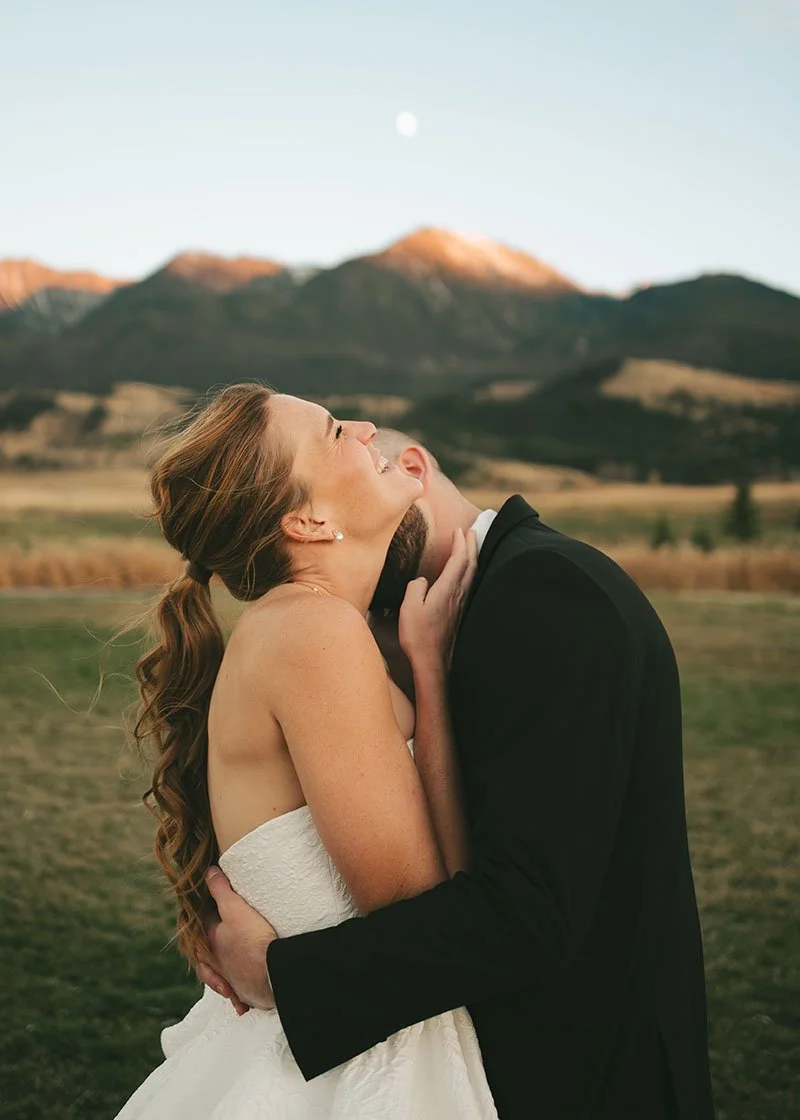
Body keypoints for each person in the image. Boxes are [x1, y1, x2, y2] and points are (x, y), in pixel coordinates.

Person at [198, 426, 716, 1119]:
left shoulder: (547, 588)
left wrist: (278, 975)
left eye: (380, 458)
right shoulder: (377, 624)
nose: (366, 443)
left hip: (584, 1071)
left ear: (412, 469)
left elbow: (528, 911)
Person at [115, 384, 499, 1119]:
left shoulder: (310, 625)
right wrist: (431, 671)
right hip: (346, 1074)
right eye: (332, 431)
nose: (366, 426)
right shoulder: (314, 635)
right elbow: (427, 911)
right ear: (308, 519)